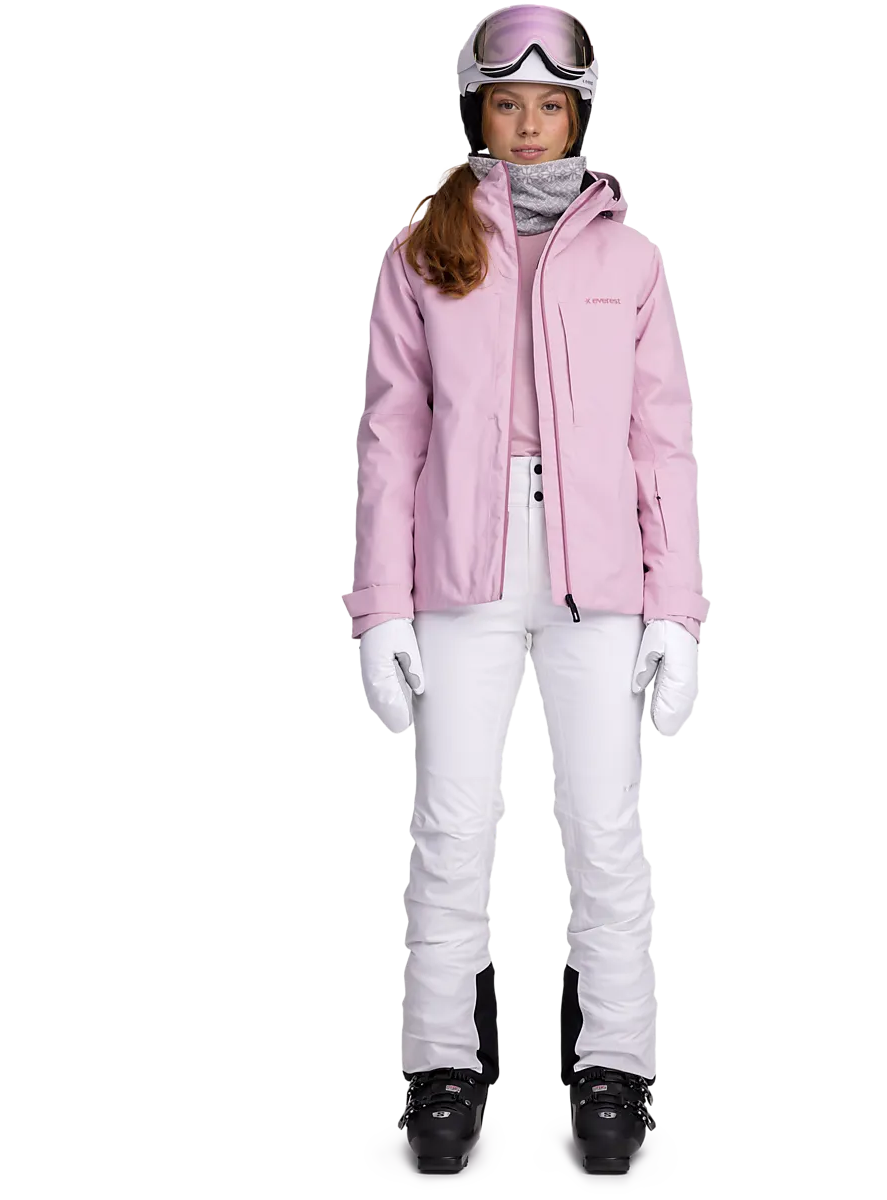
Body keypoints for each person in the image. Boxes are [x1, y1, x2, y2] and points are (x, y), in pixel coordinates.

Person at [342, 4, 708, 1176]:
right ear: (478, 111)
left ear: (581, 114)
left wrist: (677, 612)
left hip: (599, 572)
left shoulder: (629, 258)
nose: (532, 124)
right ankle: (445, 1065)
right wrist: (379, 607)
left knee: (605, 828)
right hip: (464, 567)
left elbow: (663, 442)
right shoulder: (423, 247)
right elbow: (391, 438)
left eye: (552, 104)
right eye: (510, 103)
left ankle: (616, 1067)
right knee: (453, 829)